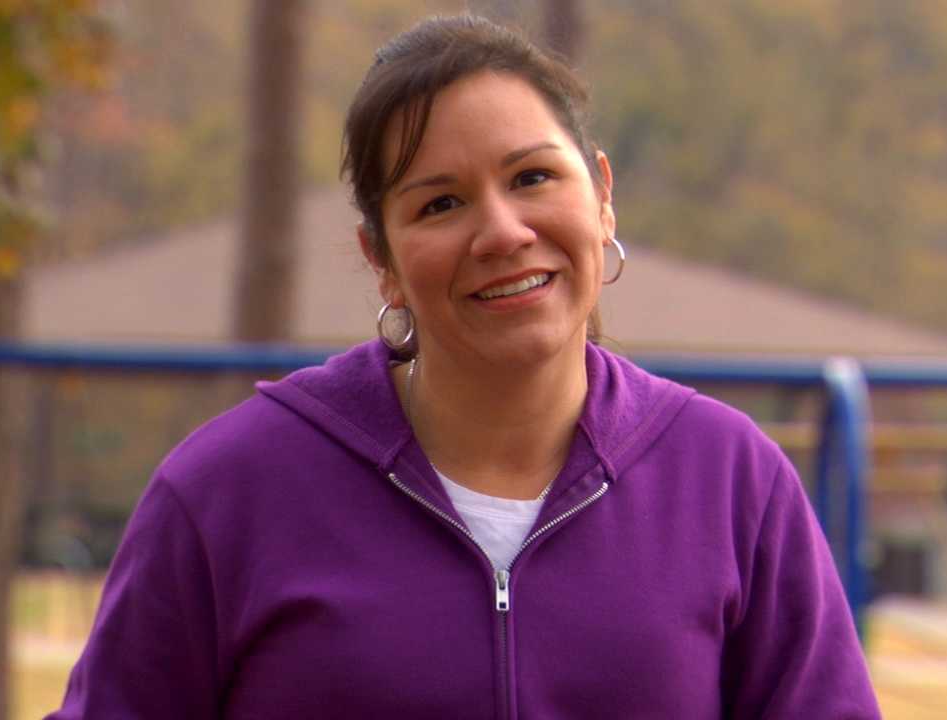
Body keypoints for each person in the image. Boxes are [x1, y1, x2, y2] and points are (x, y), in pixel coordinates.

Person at [49, 15, 881, 719]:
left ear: (601, 196)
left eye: (532, 177)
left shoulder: (731, 483)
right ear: (381, 258)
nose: (503, 232)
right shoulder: (228, 491)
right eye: (440, 203)